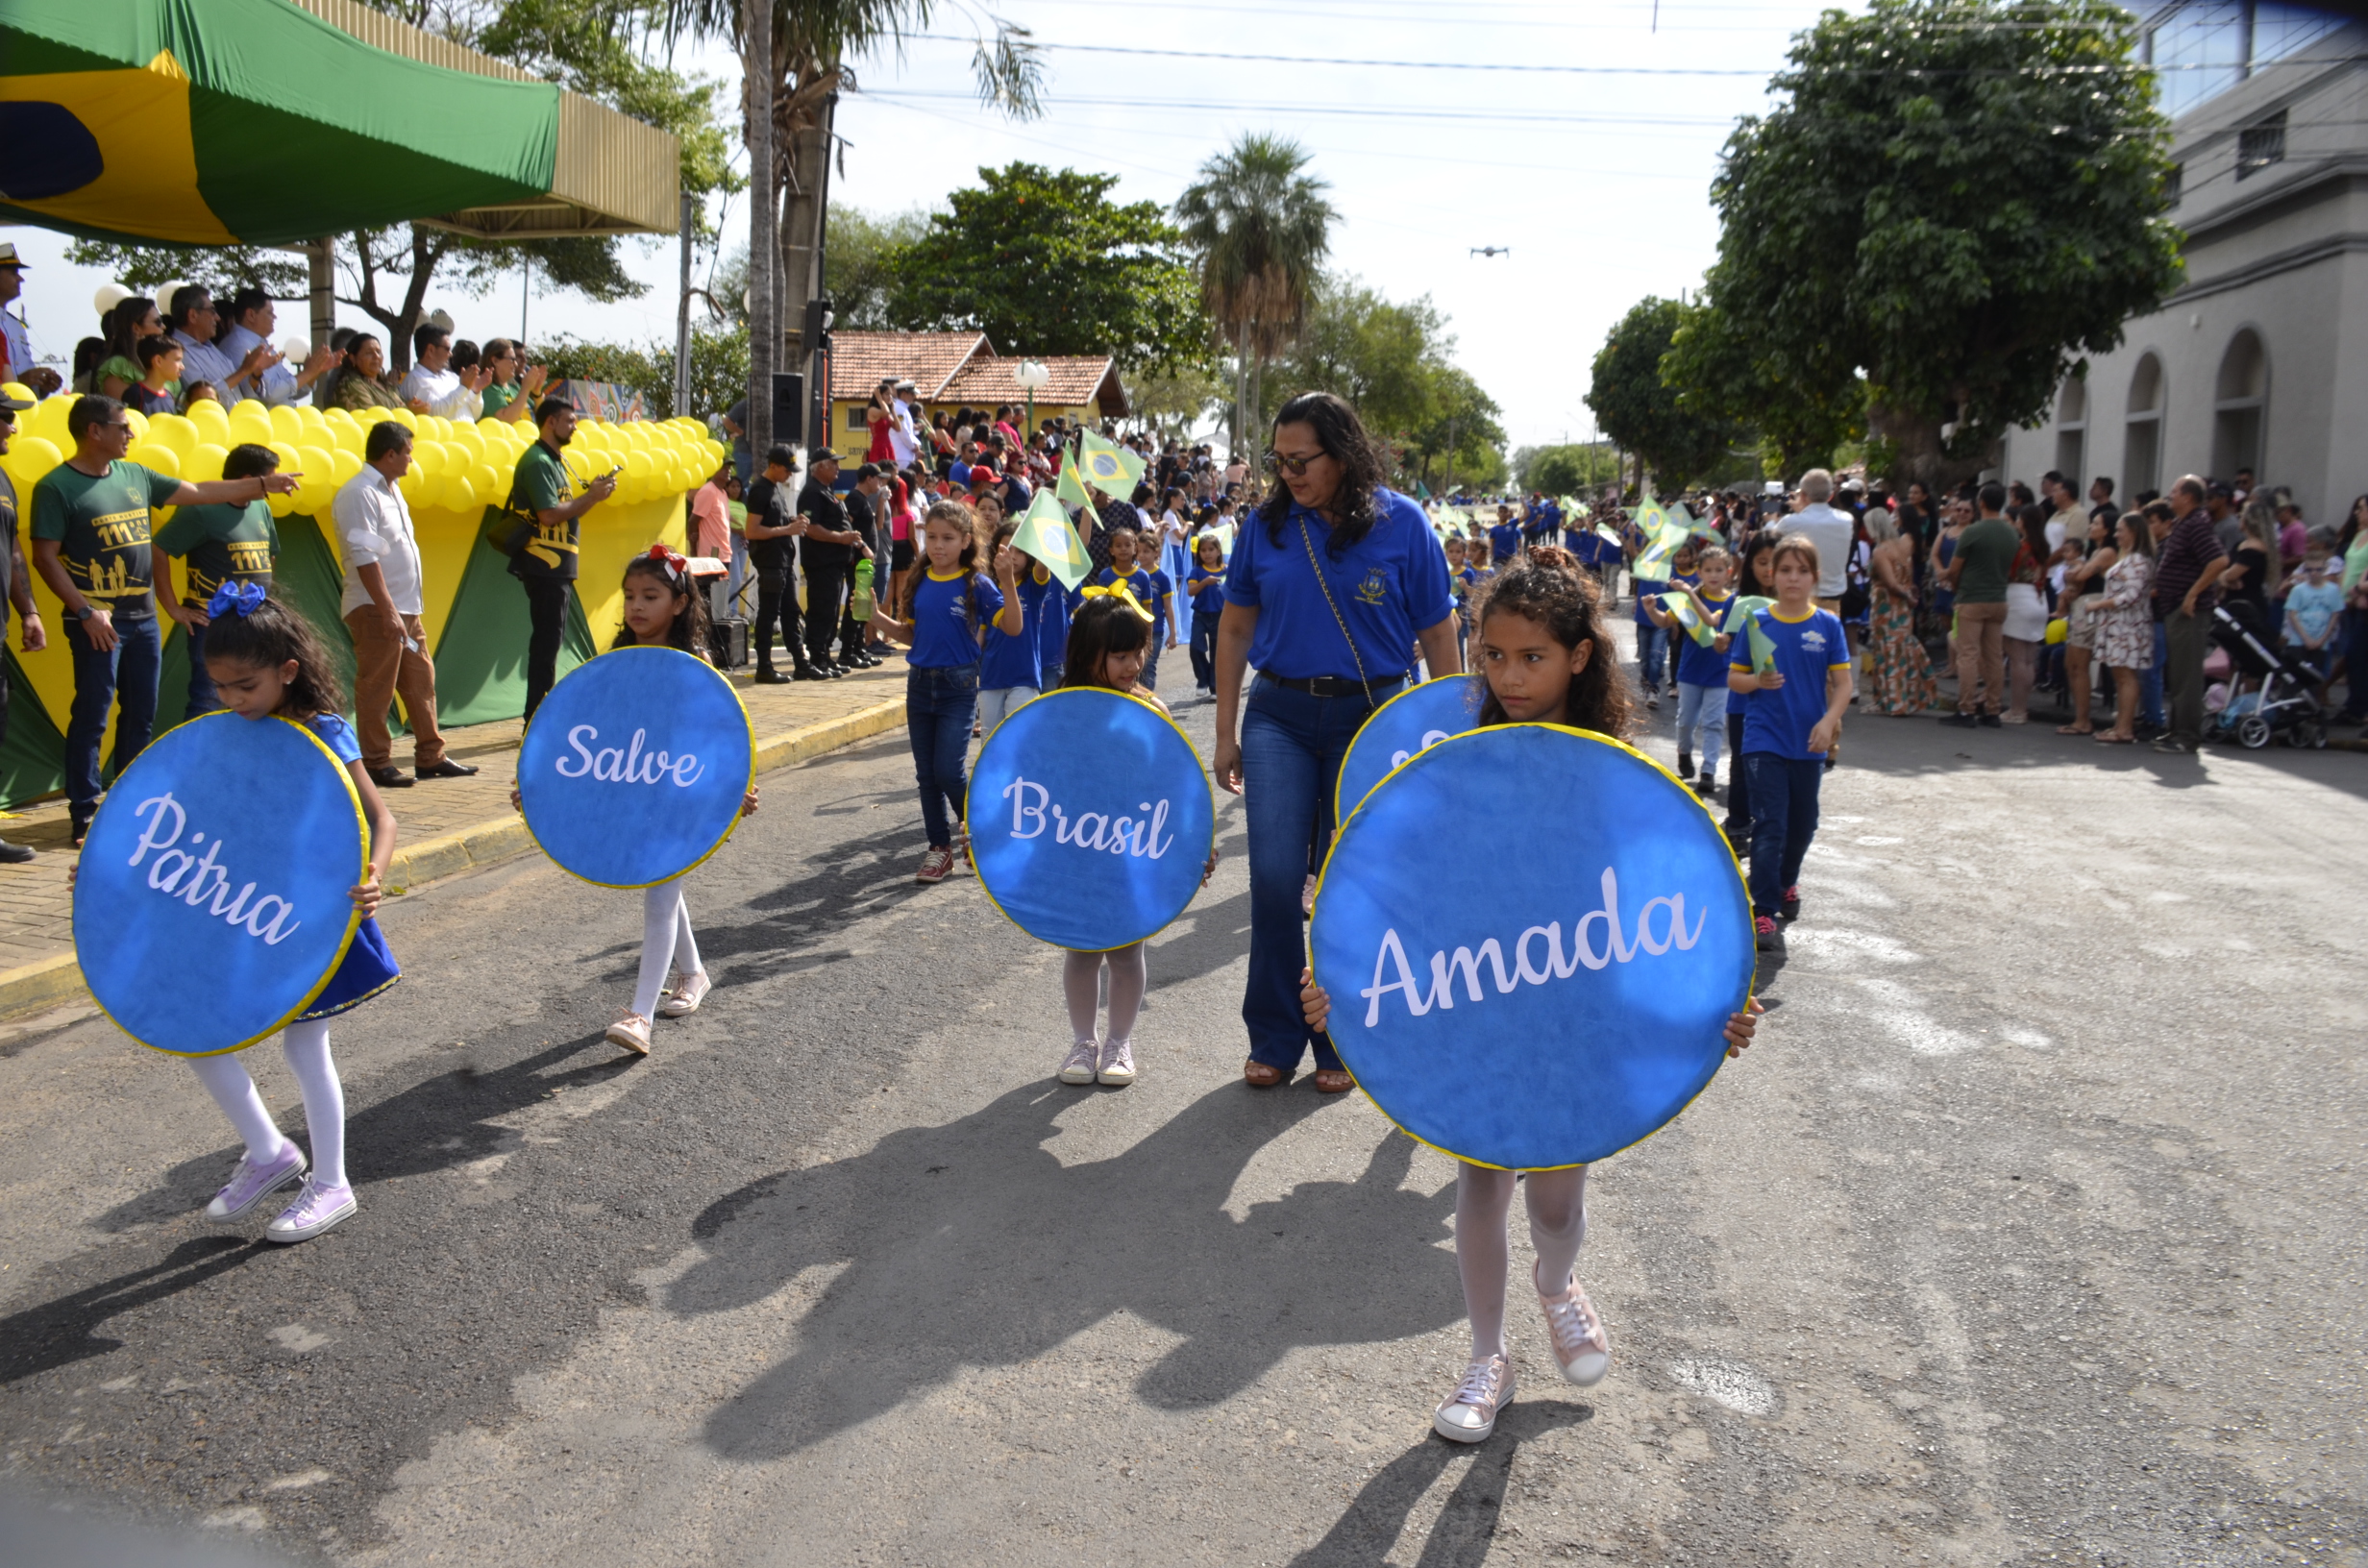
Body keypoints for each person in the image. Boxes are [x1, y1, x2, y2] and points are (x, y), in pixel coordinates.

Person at [1296, 551, 1761, 1443]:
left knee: (1554, 1198)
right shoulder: (1455, 766)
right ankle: (1486, 1357)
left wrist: (1720, 1001)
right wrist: (1343, 983)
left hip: (1577, 1007)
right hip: (1479, 1000)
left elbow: (1679, 902)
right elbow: (1400, 888)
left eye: (1532, 657)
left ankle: (1557, 1284)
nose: (1509, 677)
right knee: (1481, 1174)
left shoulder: (1619, 772)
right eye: (1494, 657)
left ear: (1579, 658)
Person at [1212, 391, 1457, 1094]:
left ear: (1343, 454)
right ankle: (1275, 1035)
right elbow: (1233, 630)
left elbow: (1440, 633)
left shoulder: (1403, 525)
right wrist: (1225, 733)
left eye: (1301, 460)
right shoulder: (1265, 528)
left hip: (1374, 722)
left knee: (1350, 885)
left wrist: (1455, 737)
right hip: (1280, 717)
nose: (1287, 473)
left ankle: (1340, 1037)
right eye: (1277, 460)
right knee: (1277, 880)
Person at [150, 592, 402, 1242]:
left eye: (245, 684)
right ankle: (269, 1151)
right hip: (240, 908)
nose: (232, 697)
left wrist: (374, 874)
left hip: (312, 912)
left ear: (288, 670)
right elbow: (184, 821)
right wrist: (112, 868)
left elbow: (381, 817)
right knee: (197, 1031)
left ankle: (332, 1183)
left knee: (302, 1041)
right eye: (220, 685)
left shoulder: (321, 729)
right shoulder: (222, 735)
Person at [31, 396, 303, 844]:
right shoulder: (56, 486)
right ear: (94, 431)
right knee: (94, 716)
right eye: (122, 426)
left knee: (141, 715)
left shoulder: (135, 474)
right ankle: (84, 812)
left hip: (142, 619)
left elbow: (196, 492)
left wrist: (259, 485)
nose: (130, 434)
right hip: (98, 623)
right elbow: (44, 557)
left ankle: (131, 804)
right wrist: (84, 610)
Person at [574, 548, 758, 1056]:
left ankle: (640, 1015)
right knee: (661, 886)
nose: (636, 606)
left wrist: (730, 791)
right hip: (634, 795)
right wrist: (546, 788)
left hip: (678, 798)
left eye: (650, 596)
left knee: (658, 894)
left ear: (679, 604)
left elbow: (718, 738)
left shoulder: (695, 668)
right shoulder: (613, 663)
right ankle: (694, 974)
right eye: (630, 596)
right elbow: (585, 736)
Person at [1048, 596, 1208, 1088]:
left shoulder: (1150, 707)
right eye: (1119, 656)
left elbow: (1177, 786)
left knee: (1125, 951)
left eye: (1138, 653)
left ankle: (1119, 1041)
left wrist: (1195, 844)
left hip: (1131, 852)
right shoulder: (1056, 713)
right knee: (1081, 949)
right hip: (1076, 851)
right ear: (1087, 654)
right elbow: (1025, 783)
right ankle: (1083, 1040)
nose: (1133, 665)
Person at [868, 499, 1024, 884]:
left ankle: (978, 829)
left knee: (949, 772)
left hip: (958, 686)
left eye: (948, 538)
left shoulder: (978, 584)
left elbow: (1014, 627)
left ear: (966, 540)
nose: (938, 546)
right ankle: (939, 849)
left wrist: (1006, 581)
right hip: (919, 684)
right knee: (926, 775)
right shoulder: (920, 581)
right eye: (932, 537)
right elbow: (910, 635)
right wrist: (876, 617)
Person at [333, 421, 476, 788]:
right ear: (390, 453)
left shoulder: (391, 491)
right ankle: (377, 763)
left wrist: (401, 611)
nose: (412, 459)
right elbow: (364, 557)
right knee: (377, 686)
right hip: (377, 610)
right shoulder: (359, 492)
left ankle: (431, 757)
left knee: (421, 681)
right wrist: (387, 610)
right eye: (408, 452)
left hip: (405, 610)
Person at [1729, 535, 1853, 956]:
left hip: (1809, 742)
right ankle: (1763, 909)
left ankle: (1785, 881)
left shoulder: (1828, 625)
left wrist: (1828, 721)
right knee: (1770, 824)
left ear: (1814, 578)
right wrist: (1757, 682)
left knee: (1804, 825)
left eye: (1801, 571)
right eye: (1785, 570)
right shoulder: (1758, 622)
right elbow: (1735, 679)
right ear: (1771, 576)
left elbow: (1844, 684)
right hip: (1764, 739)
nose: (1793, 578)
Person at [507, 398, 619, 722]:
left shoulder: (555, 460)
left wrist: (592, 496)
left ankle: (540, 712)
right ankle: (536, 717)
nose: (574, 426)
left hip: (558, 566)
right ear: (550, 422)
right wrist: (591, 497)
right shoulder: (539, 461)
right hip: (545, 565)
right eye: (569, 421)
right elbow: (549, 514)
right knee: (545, 644)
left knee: (550, 642)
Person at [153, 442, 282, 721]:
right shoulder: (201, 509)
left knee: (254, 696)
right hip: (213, 623)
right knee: (209, 698)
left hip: (254, 622)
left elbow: (269, 555)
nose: (272, 490)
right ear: (249, 480)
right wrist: (173, 608)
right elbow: (158, 549)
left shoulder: (261, 508)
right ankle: (199, 763)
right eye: (269, 482)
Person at [0, 388, 47, 862]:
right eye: (4, 418)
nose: (12, 427)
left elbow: (12, 548)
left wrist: (30, 610)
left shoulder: (4, 479)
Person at [2153, 476, 2230, 754]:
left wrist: (2192, 593)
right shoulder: (2185, 524)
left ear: (2187, 496)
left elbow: (2219, 560)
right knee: (2179, 674)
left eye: (2174, 491)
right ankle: (2176, 730)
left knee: (2187, 675)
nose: (2169, 496)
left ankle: (2186, 736)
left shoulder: (2196, 523)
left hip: (2189, 612)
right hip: (2175, 609)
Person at [1939, 482, 2017, 728]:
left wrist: (1952, 582)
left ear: (1980, 503)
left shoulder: (1972, 532)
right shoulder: (2011, 532)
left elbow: (1954, 568)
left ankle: (1966, 708)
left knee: (1968, 655)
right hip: (1998, 598)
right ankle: (1993, 709)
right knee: (1994, 656)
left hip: (1972, 598)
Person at [975, 515, 1051, 739]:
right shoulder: (986, 587)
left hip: (1025, 678)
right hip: (991, 677)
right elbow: (980, 634)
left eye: (1019, 550)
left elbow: (1043, 567)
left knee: (1019, 739)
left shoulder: (1033, 586)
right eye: (1006, 549)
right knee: (990, 740)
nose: (1012, 556)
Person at [742, 444, 811, 683]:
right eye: (787, 470)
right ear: (773, 466)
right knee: (769, 615)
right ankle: (764, 666)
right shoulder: (760, 490)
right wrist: (788, 529)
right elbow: (752, 531)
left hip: (783, 561)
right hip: (770, 562)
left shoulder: (775, 488)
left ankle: (801, 663)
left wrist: (793, 520)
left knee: (791, 613)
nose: (790, 474)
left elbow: (774, 521)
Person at [796, 449, 867, 677]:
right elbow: (812, 528)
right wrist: (841, 537)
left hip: (834, 563)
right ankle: (816, 657)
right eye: (833, 463)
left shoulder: (826, 491)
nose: (838, 468)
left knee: (831, 611)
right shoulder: (812, 493)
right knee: (821, 611)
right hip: (821, 562)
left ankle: (825, 655)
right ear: (820, 467)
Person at [1862, 506, 1936, 717]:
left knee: (1885, 652)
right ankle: (1905, 698)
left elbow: (1891, 584)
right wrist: (1910, 594)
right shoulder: (1905, 543)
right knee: (1902, 650)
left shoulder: (1880, 551)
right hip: (1903, 607)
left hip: (1886, 605)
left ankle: (1889, 701)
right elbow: (1907, 577)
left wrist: (1905, 594)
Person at [2091, 512, 2158, 745]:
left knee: (2126, 676)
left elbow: (2131, 596)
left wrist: (2099, 604)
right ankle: (2120, 725)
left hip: (2128, 626)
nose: (2117, 535)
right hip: (2121, 625)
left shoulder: (2138, 560)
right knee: (2121, 675)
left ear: (2134, 532)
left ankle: (2125, 728)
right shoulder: (2132, 558)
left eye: (2121, 530)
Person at [2055, 511, 2121, 735]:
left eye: (2096, 523)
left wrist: (2073, 573)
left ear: (2107, 529)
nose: (2091, 526)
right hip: (2081, 607)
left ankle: (2083, 720)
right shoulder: (2094, 551)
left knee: (2078, 664)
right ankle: (2080, 718)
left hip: (2091, 608)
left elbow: (2080, 576)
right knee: (2071, 664)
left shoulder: (2107, 552)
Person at [1089, 525, 1176, 692]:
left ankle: (1146, 702)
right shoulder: (1105, 575)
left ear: (1135, 548)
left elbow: (1147, 608)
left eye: (1128, 545)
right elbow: (1101, 609)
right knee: (1120, 672)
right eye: (1118, 545)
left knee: (1145, 669)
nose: (1123, 549)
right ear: (1111, 550)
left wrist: (1148, 638)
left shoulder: (1142, 576)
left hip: (1139, 632)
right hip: (1114, 634)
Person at [216, 287, 333, 407]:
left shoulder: (261, 343)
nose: (275, 317)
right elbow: (269, 394)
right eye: (269, 312)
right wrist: (308, 373)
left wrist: (314, 371)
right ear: (251, 315)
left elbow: (290, 391)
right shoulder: (238, 344)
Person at [1776, 468, 1855, 612]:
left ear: (1803, 495)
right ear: (1831, 496)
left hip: (1800, 597)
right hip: (1834, 598)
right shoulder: (1846, 520)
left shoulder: (1790, 522)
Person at [401, 325, 489, 420]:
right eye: (447, 349)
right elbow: (436, 412)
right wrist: (464, 387)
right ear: (431, 350)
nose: (451, 354)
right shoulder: (415, 379)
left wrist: (475, 391)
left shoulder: (452, 377)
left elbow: (475, 414)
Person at [2283, 546, 2343, 685]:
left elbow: (2335, 616)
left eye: (2319, 569)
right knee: (2294, 678)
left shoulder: (2333, 590)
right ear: (2304, 570)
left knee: (2314, 679)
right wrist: (2305, 638)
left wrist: (2323, 639)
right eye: (2309, 570)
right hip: (2298, 640)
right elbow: (2292, 614)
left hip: (2321, 641)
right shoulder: (2298, 590)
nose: (2314, 573)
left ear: (2326, 569)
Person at [1186, 533, 1227, 696]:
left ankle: (1214, 687)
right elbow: (1190, 591)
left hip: (1220, 616)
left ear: (1218, 551)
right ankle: (1202, 678)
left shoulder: (1226, 570)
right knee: (1196, 647)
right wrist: (1204, 582)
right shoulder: (1197, 571)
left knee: (1217, 652)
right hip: (1201, 615)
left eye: (1211, 549)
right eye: (1203, 550)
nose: (1207, 553)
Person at [479, 339, 548, 424]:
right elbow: (506, 420)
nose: (516, 364)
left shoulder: (515, 387)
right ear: (495, 361)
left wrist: (537, 392)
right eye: (512, 359)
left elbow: (544, 419)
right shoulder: (487, 388)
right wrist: (525, 388)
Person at [332, 334, 407, 412]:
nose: (376, 356)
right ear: (353, 359)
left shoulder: (385, 383)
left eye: (378, 352)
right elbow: (372, 415)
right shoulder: (351, 384)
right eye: (369, 353)